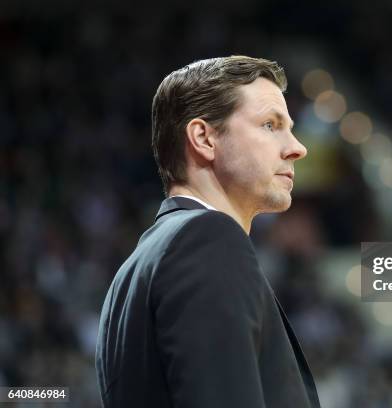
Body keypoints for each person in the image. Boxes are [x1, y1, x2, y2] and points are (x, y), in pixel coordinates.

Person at [95, 56, 320, 408]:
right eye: (270, 125)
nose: (297, 147)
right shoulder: (207, 239)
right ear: (204, 138)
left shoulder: (136, 269)